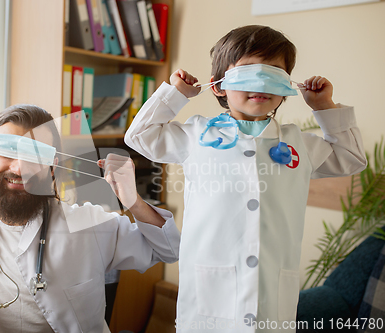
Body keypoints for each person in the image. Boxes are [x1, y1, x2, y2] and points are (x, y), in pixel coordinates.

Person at [125, 25, 367, 332]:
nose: (261, 82)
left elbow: (352, 158)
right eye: (248, 72)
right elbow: (139, 136)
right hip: (209, 296)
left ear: (286, 87)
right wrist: (175, 95)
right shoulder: (196, 135)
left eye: (274, 72)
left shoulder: (299, 143)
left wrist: (324, 107)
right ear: (218, 86)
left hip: (272, 295)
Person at [0, 104, 180, 333]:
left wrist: (133, 200)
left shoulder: (87, 223)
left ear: (52, 168)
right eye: (7, 151)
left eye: (35, 155)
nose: (19, 167)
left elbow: (166, 249)